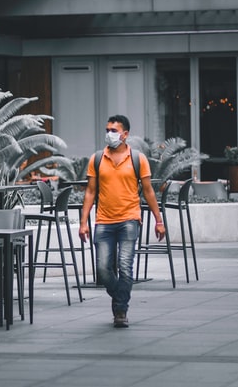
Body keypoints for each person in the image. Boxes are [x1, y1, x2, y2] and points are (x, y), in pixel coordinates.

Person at [78, 115, 165, 328]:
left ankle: (120, 311)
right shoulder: (97, 159)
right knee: (103, 269)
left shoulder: (138, 159)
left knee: (125, 267)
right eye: (107, 129)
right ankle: (120, 297)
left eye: (114, 130)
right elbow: (90, 192)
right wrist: (83, 222)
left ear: (125, 134)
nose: (109, 134)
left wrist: (158, 220)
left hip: (129, 220)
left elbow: (148, 191)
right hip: (104, 222)